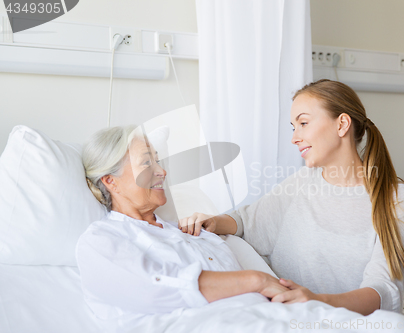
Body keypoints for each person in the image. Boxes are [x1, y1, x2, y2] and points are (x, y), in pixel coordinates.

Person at [179, 79, 404, 315]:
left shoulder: (395, 197)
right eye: (293, 127)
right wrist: (212, 221)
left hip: (344, 320)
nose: (294, 138)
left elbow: (383, 290)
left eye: (303, 123)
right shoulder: (302, 181)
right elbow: (248, 221)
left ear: (342, 124)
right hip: (285, 316)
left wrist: (316, 301)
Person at [76, 126, 289, 322]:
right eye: (147, 162)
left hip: (274, 316)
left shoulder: (192, 232)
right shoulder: (101, 240)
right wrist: (255, 280)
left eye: (158, 161)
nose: (162, 171)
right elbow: (152, 289)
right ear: (111, 181)